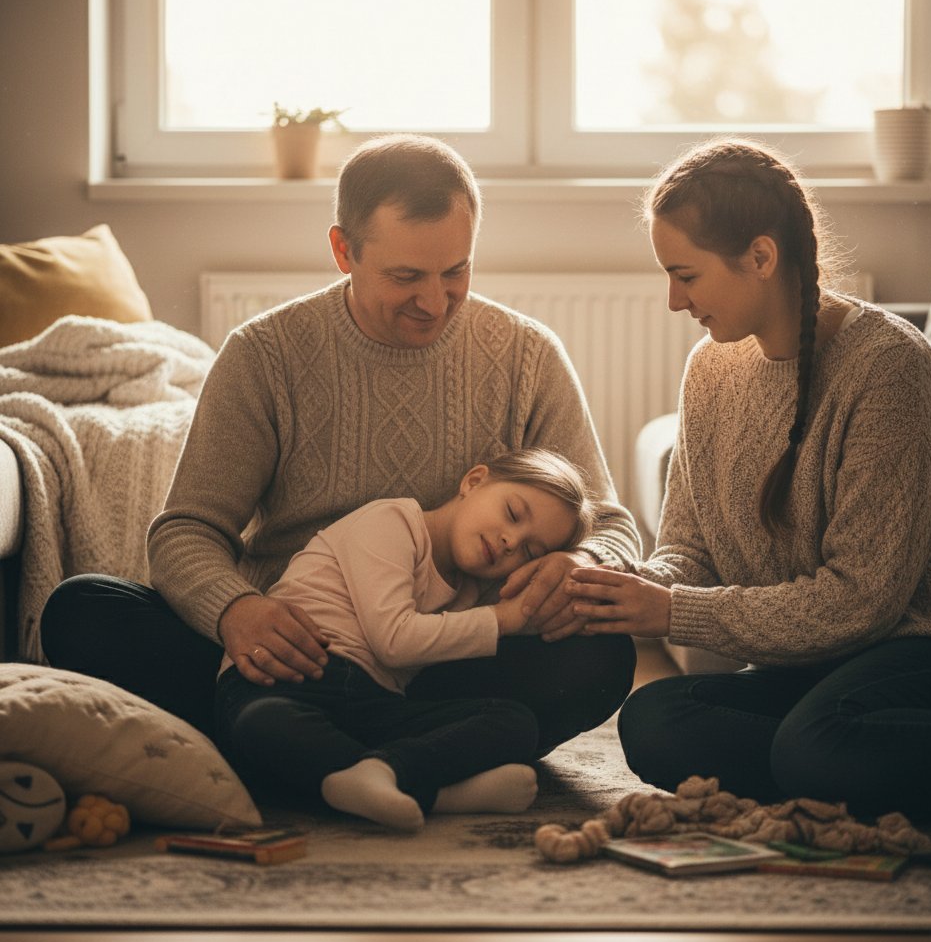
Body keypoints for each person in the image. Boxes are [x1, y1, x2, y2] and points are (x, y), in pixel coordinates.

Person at [41, 134, 640, 752]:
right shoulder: (265, 354)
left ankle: (288, 746)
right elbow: (186, 530)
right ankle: (419, 749)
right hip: (289, 650)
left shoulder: (527, 355)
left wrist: (582, 563)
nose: (434, 302)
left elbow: (610, 524)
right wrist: (236, 612)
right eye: (406, 276)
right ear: (343, 250)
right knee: (83, 611)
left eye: (455, 271)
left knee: (599, 659)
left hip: (443, 657)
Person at [565, 138, 931, 821]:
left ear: (760, 257)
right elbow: (689, 549)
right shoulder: (710, 369)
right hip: (817, 674)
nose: (673, 300)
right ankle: (842, 771)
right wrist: (623, 592)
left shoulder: (888, 366)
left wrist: (674, 612)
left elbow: (862, 600)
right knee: (654, 719)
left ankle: (841, 763)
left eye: (685, 275)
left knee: (816, 744)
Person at [217, 448, 595, 830]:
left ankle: (375, 773)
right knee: (262, 726)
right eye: (512, 513)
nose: (511, 541)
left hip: (372, 701)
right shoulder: (391, 521)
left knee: (514, 722)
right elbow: (394, 642)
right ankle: (435, 794)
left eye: (530, 551)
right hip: (289, 678)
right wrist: (502, 620)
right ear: (474, 481)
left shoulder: (471, 588)